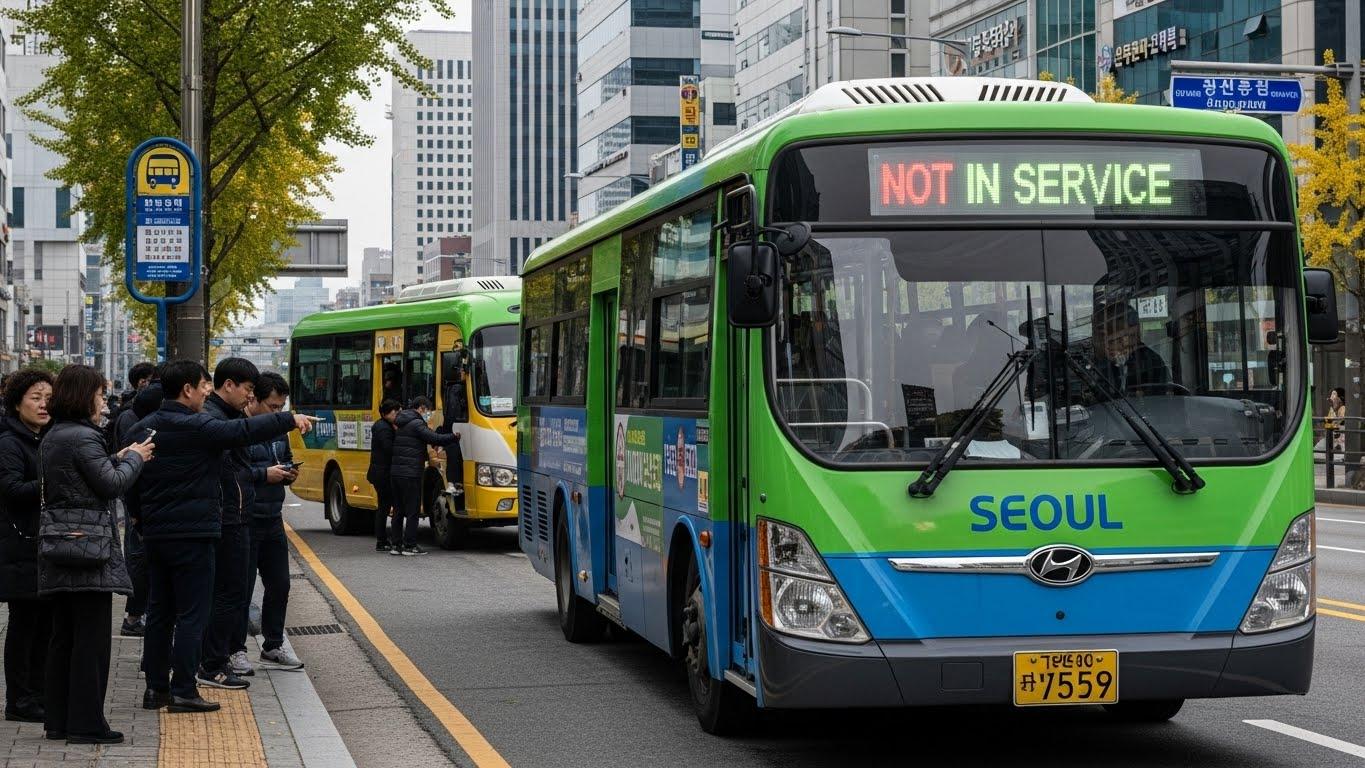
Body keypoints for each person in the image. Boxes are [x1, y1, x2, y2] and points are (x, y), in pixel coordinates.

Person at [132, 360, 314, 714]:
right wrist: (288, 419)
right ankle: (184, 688)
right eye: (202, 385)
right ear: (186, 389)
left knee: (159, 611)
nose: (206, 391)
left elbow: (128, 475)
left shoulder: (143, 428)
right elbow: (242, 434)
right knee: (192, 614)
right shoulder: (200, 426)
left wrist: (140, 519)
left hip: (155, 533)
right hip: (195, 533)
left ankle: (156, 690)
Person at [38, 365, 153, 744]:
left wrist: (117, 455)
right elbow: (111, 484)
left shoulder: (55, 434)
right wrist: (134, 458)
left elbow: (85, 475)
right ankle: (87, 724)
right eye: (100, 394)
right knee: (91, 639)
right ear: (84, 396)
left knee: (64, 637)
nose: (103, 401)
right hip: (89, 546)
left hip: (61, 543)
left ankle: (58, 721)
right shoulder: (84, 437)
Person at [0, 369, 54, 724]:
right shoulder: (9, 442)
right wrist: (51, 483)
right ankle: (19, 700)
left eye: (48, 397)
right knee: (24, 625)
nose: (43, 404)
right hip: (19, 544)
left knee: (42, 625)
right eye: (35, 397)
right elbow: (12, 490)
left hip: (37, 544)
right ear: (17, 402)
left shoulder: (41, 437)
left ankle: (36, 694)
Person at [242, 372, 305, 671]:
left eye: (281, 407)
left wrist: (290, 472)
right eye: (272, 406)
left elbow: (287, 456)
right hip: (245, 518)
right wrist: (263, 474)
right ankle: (234, 649)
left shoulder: (279, 430)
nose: (276, 413)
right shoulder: (239, 429)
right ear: (253, 398)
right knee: (240, 588)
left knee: (279, 584)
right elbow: (233, 473)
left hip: (272, 517)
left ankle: (273, 645)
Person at [111, 362, 159, 638]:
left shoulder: (133, 416)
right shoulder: (133, 421)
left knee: (140, 560)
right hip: (137, 502)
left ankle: (135, 616)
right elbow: (128, 463)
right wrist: (134, 512)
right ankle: (133, 618)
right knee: (139, 561)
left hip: (137, 501)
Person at [389, 396, 460, 556]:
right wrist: (454, 437)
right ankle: (410, 546)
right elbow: (434, 438)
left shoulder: (401, 422)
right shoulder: (416, 423)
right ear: (421, 408)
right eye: (427, 410)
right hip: (410, 473)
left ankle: (396, 545)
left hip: (396, 473)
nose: (428, 414)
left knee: (399, 510)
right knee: (413, 509)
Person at [1098, 304, 1170, 393]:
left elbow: (1162, 396)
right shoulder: (1098, 367)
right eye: (1110, 341)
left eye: (1112, 341)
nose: (1107, 346)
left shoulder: (1151, 361)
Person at [367, 399, 401, 553]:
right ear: (387, 413)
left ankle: (382, 540)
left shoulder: (382, 425)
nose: (398, 415)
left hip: (380, 473)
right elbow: (389, 449)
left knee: (384, 506)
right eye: (395, 412)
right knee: (387, 506)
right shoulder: (384, 429)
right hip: (383, 474)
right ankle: (384, 540)